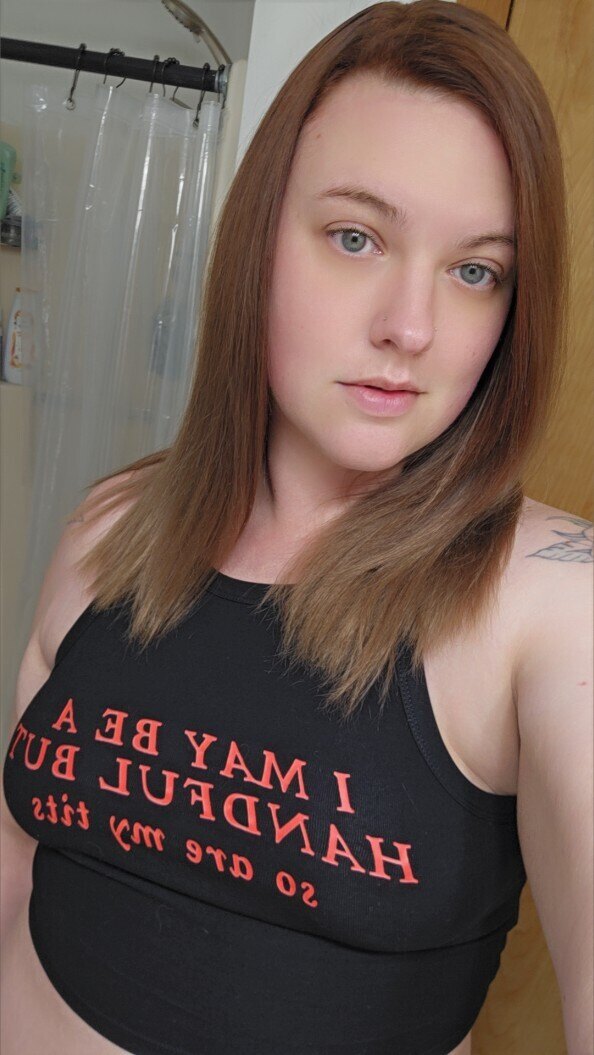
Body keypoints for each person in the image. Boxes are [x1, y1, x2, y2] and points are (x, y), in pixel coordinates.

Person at [1, 1, 592, 1053]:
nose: (410, 326)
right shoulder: (113, 524)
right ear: (258, 239)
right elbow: (15, 854)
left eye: (475, 270)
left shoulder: (548, 600)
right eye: (356, 237)